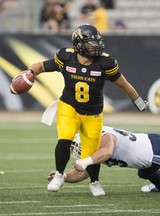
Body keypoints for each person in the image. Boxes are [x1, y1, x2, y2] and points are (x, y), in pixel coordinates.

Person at [20, 24, 147, 196]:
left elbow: (123, 84)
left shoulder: (106, 62)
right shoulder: (66, 56)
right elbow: (41, 66)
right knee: (64, 140)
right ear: (79, 44)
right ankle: (59, 175)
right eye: (90, 43)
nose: (95, 47)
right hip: (69, 106)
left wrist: (138, 102)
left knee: (91, 152)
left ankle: (94, 183)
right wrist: (29, 72)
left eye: (96, 43)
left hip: (93, 112)